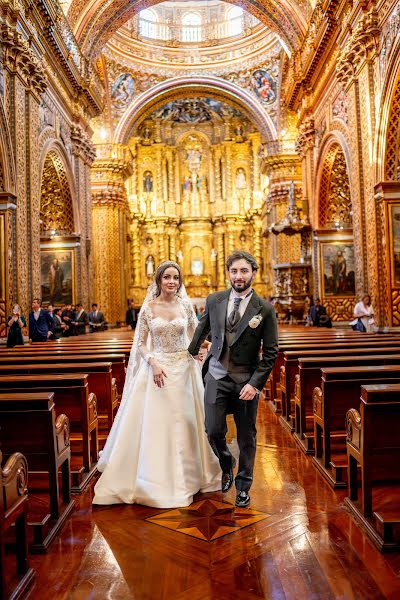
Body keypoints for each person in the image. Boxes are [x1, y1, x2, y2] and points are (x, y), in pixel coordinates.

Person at [93, 261, 220, 507]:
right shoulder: (148, 308)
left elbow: (196, 336)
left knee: (186, 421)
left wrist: (208, 348)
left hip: (184, 370)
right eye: (167, 278)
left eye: (175, 278)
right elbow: (141, 344)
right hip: (158, 370)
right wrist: (152, 362)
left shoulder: (185, 305)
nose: (172, 282)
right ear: (159, 281)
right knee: (159, 424)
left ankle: (193, 474)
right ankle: (152, 478)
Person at [188, 250, 278, 508]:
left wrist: (255, 384)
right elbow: (202, 328)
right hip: (216, 374)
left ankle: (243, 486)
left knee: (246, 436)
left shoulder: (265, 309)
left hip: (245, 380)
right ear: (228, 273)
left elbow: (271, 352)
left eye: (244, 271)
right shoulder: (214, 299)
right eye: (234, 271)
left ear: (253, 274)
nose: (238, 276)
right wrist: (192, 352)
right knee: (213, 430)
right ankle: (227, 463)